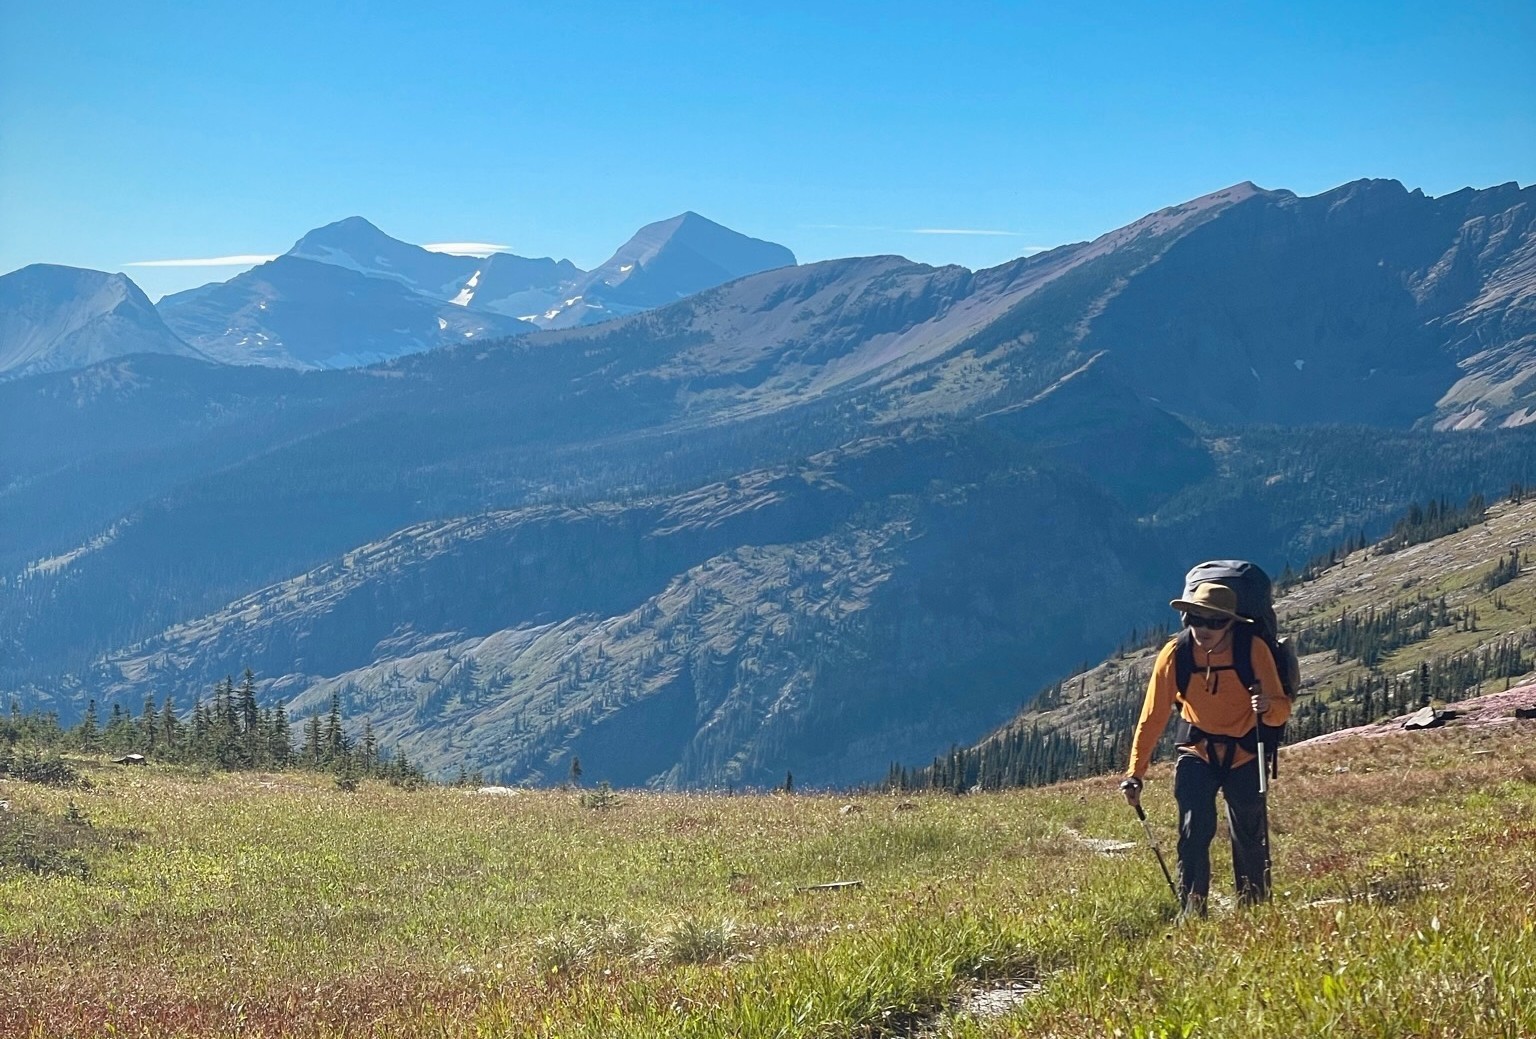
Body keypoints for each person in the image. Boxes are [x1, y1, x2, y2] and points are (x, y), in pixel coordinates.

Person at [1121, 581, 1291, 917]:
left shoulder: (1253, 649)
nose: (1204, 629)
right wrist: (1134, 774)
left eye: (1215, 622)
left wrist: (1266, 706)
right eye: (1196, 620)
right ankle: (1192, 912)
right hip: (1196, 751)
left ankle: (1253, 909)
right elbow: (1152, 717)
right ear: (1187, 620)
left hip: (1245, 751)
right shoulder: (1176, 654)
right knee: (1193, 829)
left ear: (1230, 622)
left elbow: (1281, 709)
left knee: (1248, 832)